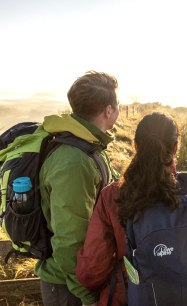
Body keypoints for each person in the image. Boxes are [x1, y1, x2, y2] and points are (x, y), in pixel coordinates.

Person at [76, 112, 187, 306]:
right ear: (176, 147)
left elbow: (92, 271)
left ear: (135, 145)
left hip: (127, 298)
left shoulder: (113, 195)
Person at [36, 71, 120, 306]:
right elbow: (69, 241)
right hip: (67, 288)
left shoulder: (90, 146)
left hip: (79, 279)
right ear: (108, 110)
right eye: (118, 104)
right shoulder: (74, 161)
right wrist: (88, 297)